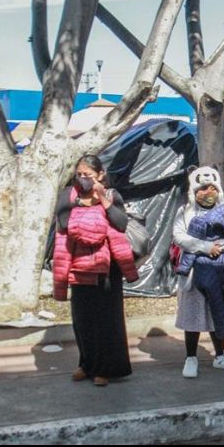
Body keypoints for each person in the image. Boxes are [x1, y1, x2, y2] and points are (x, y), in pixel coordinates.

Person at [52, 155, 139, 386]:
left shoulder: (112, 195)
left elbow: (121, 223)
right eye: (79, 174)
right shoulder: (69, 195)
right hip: (79, 266)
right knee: (83, 320)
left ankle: (107, 369)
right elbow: (62, 221)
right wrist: (82, 205)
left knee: (107, 321)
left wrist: (102, 199)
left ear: (100, 175)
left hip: (106, 268)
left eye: (87, 175)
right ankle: (86, 364)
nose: (83, 179)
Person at [173, 166, 224, 379]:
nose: (208, 192)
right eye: (203, 188)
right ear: (194, 190)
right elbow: (179, 236)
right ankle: (190, 358)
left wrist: (221, 246)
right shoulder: (184, 212)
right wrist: (205, 247)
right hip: (194, 272)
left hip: (221, 270)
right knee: (193, 315)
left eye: (212, 187)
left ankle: (221, 355)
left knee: (219, 313)